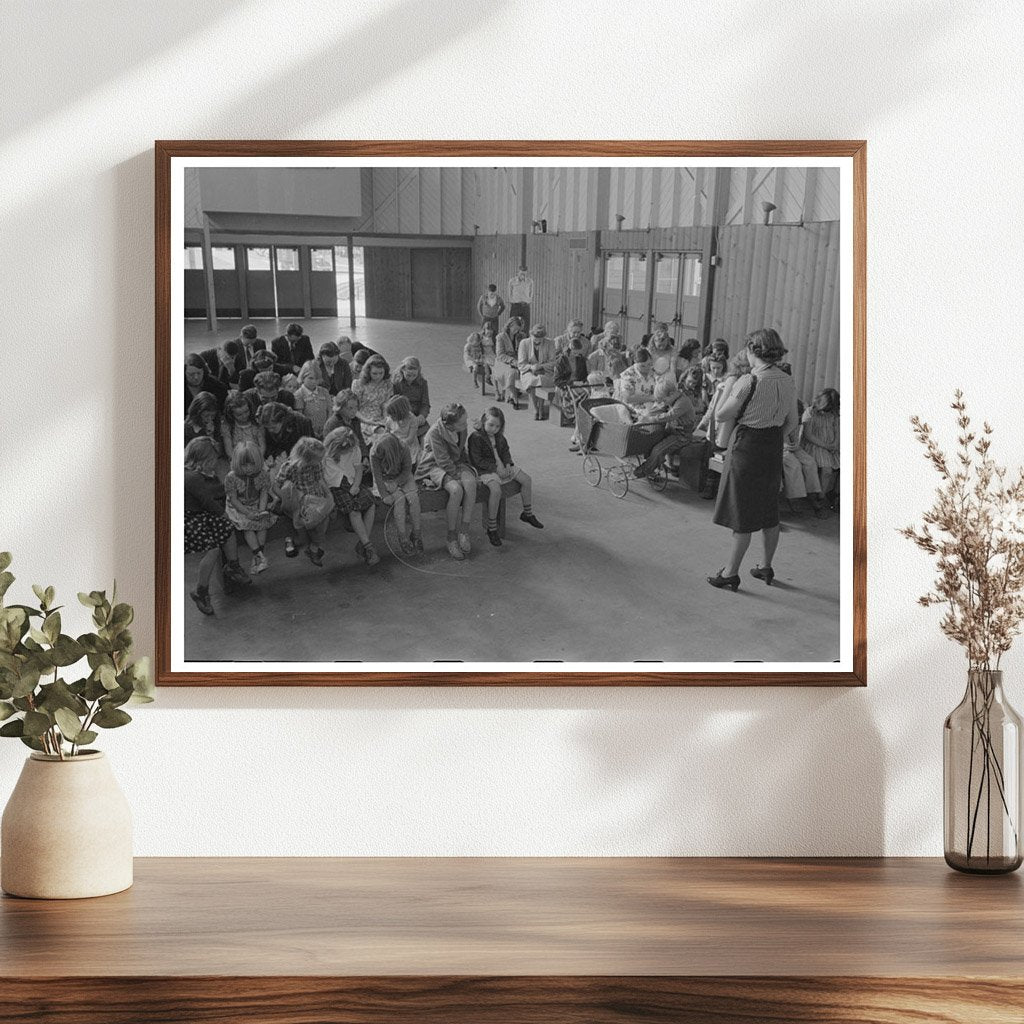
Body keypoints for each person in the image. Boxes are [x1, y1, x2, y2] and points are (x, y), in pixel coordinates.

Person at [708, 327, 799, 591]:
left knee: (742, 514)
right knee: (769, 510)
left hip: (747, 447)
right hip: (772, 446)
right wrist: (773, 438)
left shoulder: (749, 381)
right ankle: (765, 566)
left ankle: (730, 572)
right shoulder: (787, 380)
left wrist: (727, 388)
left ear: (752, 351)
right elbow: (792, 421)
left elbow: (722, 415)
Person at [184, 436, 250, 615]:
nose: (214, 464)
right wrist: (226, 515)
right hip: (190, 519)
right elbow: (207, 501)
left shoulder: (206, 475)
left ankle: (233, 566)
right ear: (199, 459)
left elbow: (219, 492)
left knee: (227, 531)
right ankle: (201, 591)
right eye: (211, 460)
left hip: (203, 516)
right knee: (212, 549)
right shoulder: (191, 477)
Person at [467, 406, 543, 547]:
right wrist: (496, 469)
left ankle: (527, 513)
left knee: (526, 480)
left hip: (503, 467)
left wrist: (508, 465)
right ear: (483, 421)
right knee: (496, 491)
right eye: (490, 425)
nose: (494, 429)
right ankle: (492, 527)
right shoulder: (476, 437)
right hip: (486, 470)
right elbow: (477, 460)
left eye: (497, 426)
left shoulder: (500, 437)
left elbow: (506, 452)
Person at [416, 402, 478, 561]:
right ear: (448, 425)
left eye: (465, 421)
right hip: (434, 465)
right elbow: (442, 460)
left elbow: (461, 450)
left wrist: (466, 469)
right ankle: (451, 537)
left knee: (470, 483)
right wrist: (456, 476)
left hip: (456, 462)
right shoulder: (434, 432)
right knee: (456, 490)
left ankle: (464, 530)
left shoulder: (461, 427)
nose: (465, 425)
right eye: (462, 423)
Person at [322, 425, 379, 567]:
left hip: (353, 482)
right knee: (354, 510)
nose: (349, 450)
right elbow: (332, 478)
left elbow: (358, 469)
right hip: (337, 487)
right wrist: (349, 488)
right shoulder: (327, 455)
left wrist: (356, 485)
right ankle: (368, 547)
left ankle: (363, 543)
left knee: (370, 503)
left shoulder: (354, 448)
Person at [275, 436, 333, 566]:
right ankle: (294, 541)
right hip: (298, 501)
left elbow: (319, 480)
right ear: (305, 459)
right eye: (318, 458)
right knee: (302, 531)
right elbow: (276, 485)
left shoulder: (316, 465)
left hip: (315, 498)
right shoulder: (290, 467)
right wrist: (284, 498)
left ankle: (314, 548)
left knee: (323, 521)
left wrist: (328, 495)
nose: (320, 460)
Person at [223, 440, 278, 574]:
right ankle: (260, 556)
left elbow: (264, 493)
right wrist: (247, 513)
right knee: (247, 524)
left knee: (263, 522)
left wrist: (261, 510)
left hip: (256, 503)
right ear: (237, 462)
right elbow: (234, 499)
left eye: (252, 464)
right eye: (244, 465)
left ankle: (258, 558)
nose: (248, 468)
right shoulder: (231, 477)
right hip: (238, 506)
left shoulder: (263, 474)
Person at [370, 431, 423, 556]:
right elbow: (377, 476)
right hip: (385, 479)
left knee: (413, 498)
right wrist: (384, 495)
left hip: (403, 476)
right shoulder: (375, 452)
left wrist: (398, 482)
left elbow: (407, 469)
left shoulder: (403, 448)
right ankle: (402, 537)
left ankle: (416, 533)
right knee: (400, 499)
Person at [632, 380, 697, 479]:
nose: (662, 403)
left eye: (663, 400)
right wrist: (646, 415)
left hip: (682, 435)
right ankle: (653, 464)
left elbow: (669, 416)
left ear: (671, 394)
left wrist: (650, 419)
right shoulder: (673, 398)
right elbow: (659, 409)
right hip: (672, 430)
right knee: (651, 440)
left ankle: (646, 470)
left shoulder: (683, 402)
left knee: (658, 450)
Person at [800, 388, 840, 501]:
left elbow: (837, 430)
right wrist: (827, 446)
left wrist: (835, 443)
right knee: (827, 470)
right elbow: (808, 435)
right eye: (825, 409)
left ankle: (835, 494)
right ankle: (820, 498)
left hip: (831, 446)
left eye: (829, 410)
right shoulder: (810, 412)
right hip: (815, 444)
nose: (826, 412)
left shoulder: (834, 414)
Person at [517, 324, 556, 420]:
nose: (537, 341)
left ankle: (541, 408)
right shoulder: (524, 343)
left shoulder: (550, 343)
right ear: (530, 335)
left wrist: (541, 366)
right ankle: (536, 408)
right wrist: (531, 367)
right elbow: (521, 364)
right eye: (535, 338)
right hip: (528, 371)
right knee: (532, 380)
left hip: (545, 370)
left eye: (540, 339)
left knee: (541, 379)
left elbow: (553, 362)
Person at [322, 389, 369, 462]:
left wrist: (364, 456)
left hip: (354, 456)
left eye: (356, 407)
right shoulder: (333, 423)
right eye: (350, 408)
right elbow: (330, 448)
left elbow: (360, 438)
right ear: (340, 408)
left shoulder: (355, 420)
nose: (354, 411)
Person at [352, 354, 393, 435]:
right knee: (382, 434)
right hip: (362, 419)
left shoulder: (387, 384)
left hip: (381, 418)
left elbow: (385, 405)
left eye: (381, 373)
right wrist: (367, 420)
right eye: (374, 373)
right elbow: (353, 408)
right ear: (368, 372)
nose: (378, 376)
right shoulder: (358, 384)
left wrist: (386, 419)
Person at [391, 356, 431, 439]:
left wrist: (422, 416)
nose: (411, 378)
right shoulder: (396, 383)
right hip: (401, 416)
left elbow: (425, 403)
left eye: (414, 375)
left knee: (427, 438)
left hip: (417, 416)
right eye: (408, 375)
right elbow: (393, 403)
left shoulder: (422, 383)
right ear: (402, 370)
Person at [221, 390, 266, 458]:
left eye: (246, 411)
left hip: (257, 458)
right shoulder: (227, 427)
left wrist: (257, 459)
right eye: (239, 415)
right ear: (231, 414)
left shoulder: (256, 423)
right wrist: (239, 461)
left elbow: (262, 445)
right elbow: (229, 450)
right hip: (237, 460)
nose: (244, 416)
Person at [293, 361, 332, 437]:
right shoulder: (299, 394)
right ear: (303, 377)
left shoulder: (324, 391)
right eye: (310, 378)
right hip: (307, 433)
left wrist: (326, 428)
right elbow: (300, 418)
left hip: (325, 431)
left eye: (316, 379)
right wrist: (311, 432)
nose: (314, 381)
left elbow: (330, 411)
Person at [493, 316, 525, 408]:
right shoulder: (500, 337)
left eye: (518, 329)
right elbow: (500, 355)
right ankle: (515, 399)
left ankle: (512, 395)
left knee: (524, 370)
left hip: (517, 360)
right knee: (512, 373)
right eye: (515, 329)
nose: (516, 331)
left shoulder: (521, 336)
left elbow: (523, 350)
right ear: (509, 326)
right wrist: (512, 361)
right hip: (502, 362)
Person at [384, 394, 420, 465]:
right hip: (393, 444)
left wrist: (398, 445)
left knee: (411, 459)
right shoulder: (390, 420)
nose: (390, 417)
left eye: (392, 414)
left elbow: (410, 439)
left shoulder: (412, 419)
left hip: (407, 446)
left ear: (400, 413)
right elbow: (386, 433)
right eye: (389, 415)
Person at [507, 266, 534, 330]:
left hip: (525, 306)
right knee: (513, 324)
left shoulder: (530, 281)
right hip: (516, 306)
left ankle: (525, 339)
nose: (523, 275)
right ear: (518, 273)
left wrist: (528, 301)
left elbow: (531, 293)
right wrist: (513, 302)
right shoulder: (512, 281)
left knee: (526, 326)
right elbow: (509, 293)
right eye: (521, 273)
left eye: (524, 274)